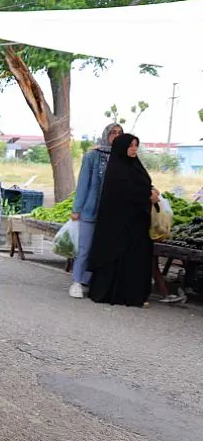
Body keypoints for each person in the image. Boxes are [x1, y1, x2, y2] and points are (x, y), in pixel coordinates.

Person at [87, 134, 155, 308]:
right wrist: (147, 196)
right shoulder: (117, 169)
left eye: (136, 146)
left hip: (137, 222)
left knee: (135, 258)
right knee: (117, 257)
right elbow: (125, 192)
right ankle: (114, 294)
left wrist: (151, 191)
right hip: (118, 225)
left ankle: (133, 295)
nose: (134, 149)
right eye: (130, 146)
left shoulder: (135, 166)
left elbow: (142, 184)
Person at [69, 123, 122, 298]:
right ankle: (77, 282)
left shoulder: (122, 157)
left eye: (120, 133)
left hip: (112, 213)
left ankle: (92, 281)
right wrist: (77, 208)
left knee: (103, 249)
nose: (116, 135)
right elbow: (83, 183)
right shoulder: (93, 156)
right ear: (106, 134)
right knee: (85, 248)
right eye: (113, 132)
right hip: (91, 210)